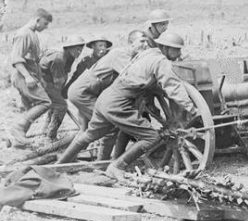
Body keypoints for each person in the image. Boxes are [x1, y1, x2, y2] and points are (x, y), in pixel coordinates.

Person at [56, 31, 197, 181]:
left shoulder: (145, 54)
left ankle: (60, 165)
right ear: (166, 48)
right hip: (118, 103)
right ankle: (116, 166)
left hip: (105, 99)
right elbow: (172, 85)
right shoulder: (160, 61)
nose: (180, 53)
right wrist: (191, 108)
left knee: (91, 134)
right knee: (151, 137)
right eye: (177, 49)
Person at [67, 30, 148, 134]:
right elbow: (131, 78)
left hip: (91, 92)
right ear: (131, 43)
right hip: (83, 93)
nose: (146, 45)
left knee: (87, 128)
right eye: (142, 41)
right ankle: (95, 148)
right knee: (107, 123)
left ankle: (81, 147)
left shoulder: (128, 56)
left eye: (104, 46)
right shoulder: (120, 54)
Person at [8, 9, 53, 148]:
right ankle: (18, 129)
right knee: (45, 102)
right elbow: (16, 59)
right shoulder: (23, 34)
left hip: (29, 76)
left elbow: (32, 60)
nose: (46, 27)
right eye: (45, 23)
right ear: (37, 19)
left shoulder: (31, 34)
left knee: (30, 107)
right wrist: (27, 77)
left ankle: (18, 141)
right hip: (23, 76)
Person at [38, 36, 86, 140]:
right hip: (41, 82)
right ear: (69, 48)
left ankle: (45, 130)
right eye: (76, 49)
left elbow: (65, 74)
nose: (79, 52)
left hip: (50, 80)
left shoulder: (70, 57)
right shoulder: (59, 58)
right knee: (61, 107)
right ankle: (51, 136)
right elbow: (58, 81)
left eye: (81, 50)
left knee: (56, 105)